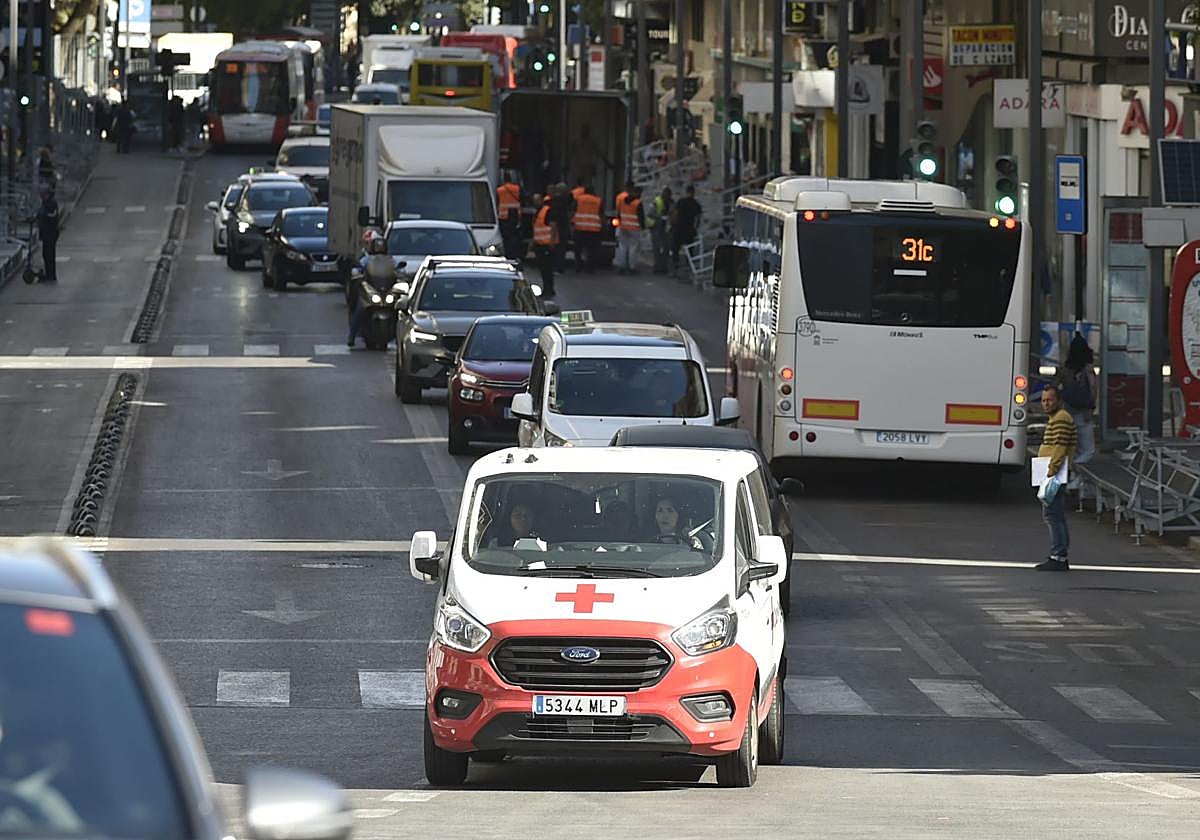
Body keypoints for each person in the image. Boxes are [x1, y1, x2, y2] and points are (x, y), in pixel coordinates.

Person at [1035, 382, 1077, 572]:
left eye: (1050, 400)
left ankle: (1058, 555)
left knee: (1052, 515)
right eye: (1043, 400)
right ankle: (1060, 554)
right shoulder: (1058, 417)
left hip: (1054, 473)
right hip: (1055, 471)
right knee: (1056, 514)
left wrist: (1051, 472)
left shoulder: (1060, 419)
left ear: (1059, 400)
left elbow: (1059, 447)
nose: (1046, 404)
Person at [347, 235, 396, 347]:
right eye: (377, 246)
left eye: (381, 246)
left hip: (385, 290)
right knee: (360, 310)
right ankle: (352, 336)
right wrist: (356, 271)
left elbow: (397, 268)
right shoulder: (367, 259)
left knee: (399, 309)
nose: (379, 249)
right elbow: (358, 268)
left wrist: (400, 272)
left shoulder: (390, 259)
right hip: (370, 290)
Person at [1060, 333, 1096, 466]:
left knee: (1070, 448)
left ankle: (1072, 475)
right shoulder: (1088, 369)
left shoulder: (1064, 369)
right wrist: (1091, 407)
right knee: (1088, 450)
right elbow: (1093, 388)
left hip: (1067, 410)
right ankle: (1073, 470)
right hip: (1083, 412)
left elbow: (1055, 387)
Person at [571, 182, 602, 273]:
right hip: (593, 229)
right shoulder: (598, 200)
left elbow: (573, 210)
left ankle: (578, 266)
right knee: (591, 249)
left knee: (578, 249)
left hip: (580, 227)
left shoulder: (579, 199)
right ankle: (590, 267)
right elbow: (601, 214)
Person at [671, 184, 703, 272]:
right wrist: (696, 227)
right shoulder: (696, 204)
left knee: (676, 247)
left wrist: (673, 224)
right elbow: (699, 218)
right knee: (690, 248)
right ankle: (690, 266)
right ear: (693, 193)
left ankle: (675, 266)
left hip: (679, 227)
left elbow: (675, 214)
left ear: (686, 192)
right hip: (689, 228)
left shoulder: (681, 201)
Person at [614, 184, 644, 275]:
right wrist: (643, 226)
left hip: (623, 226)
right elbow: (640, 216)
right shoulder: (637, 203)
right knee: (633, 248)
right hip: (634, 228)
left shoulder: (623, 201)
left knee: (623, 247)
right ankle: (632, 267)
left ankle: (622, 266)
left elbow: (619, 213)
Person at [532, 194, 558, 297]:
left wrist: (552, 241)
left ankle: (549, 290)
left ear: (541, 201)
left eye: (537, 200)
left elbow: (553, 226)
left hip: (547, 245)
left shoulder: (547, 211)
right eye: (534, 201)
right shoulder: (538, 212)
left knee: (547, 269)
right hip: (540, 244)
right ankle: (547, 289)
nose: (535, 203)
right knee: (543, 269)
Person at [496, 172, 523, 260]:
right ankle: (515, 254)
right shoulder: (517, 188)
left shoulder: (500, 190)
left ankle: (507, 255)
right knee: (514, 237)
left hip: (504, 216)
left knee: (506, 238)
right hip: (514, 215)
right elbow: (522, 199)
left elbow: (497, 202)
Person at [548, 182, 574, 273]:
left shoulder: (553, 201)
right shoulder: (568, 200)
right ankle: (559, 266)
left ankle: (554, 266)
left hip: (555, 225)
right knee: (561, 247)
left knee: (555, 247)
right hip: (563, 226)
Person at [35, 188, 60, 284]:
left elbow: (52, 215)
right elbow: (40, 213)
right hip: (45, 233)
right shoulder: (44, 203)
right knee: (45, 254)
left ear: (47, 194)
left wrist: (43, 216)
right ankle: (48, 274)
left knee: (50, 255)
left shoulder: (52, 203)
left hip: (51, 233)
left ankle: (52, 276)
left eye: (43, 194)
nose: (42, 196)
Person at [647, 186, 673, 274]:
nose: (667, 197)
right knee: (657, 248)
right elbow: (650, 213)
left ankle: (663, 266)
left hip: (665, 227)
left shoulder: (671, 202)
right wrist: (661, 217)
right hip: (656, 227)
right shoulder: (657, 201)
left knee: (666, 247)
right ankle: (657, 267)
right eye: (666, 195)